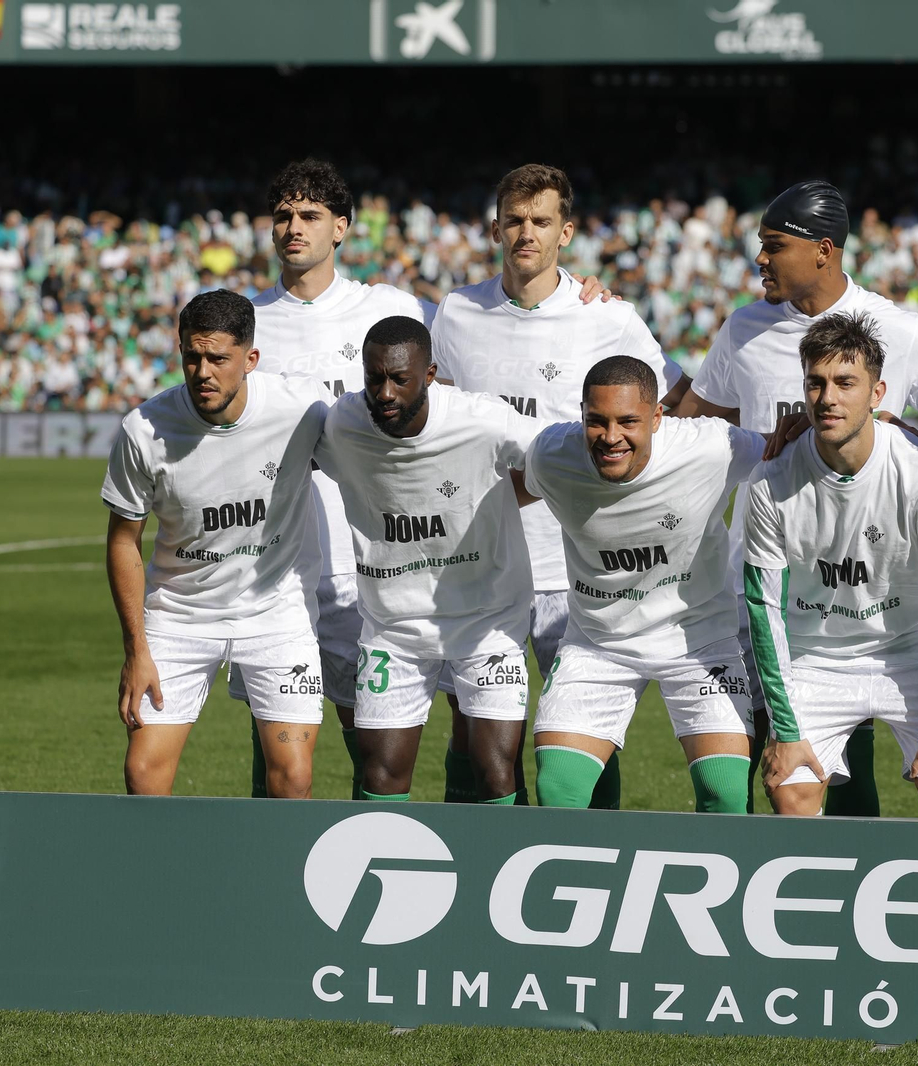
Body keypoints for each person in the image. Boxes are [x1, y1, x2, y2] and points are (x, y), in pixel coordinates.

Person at [674, 179, 918, 818]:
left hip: (882, 600)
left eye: (773, 245)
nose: (760, 259)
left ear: (823, 250)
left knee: (897, 776)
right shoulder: (743, 329)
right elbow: (692, 428)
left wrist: (893, 430)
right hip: (777, 587)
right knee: (785, 765)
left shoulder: (896, 328)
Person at [431, 163, 685, 809]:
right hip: (480, 558)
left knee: (584, 733)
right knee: (473, 727)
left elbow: (675, 402)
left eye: (541, 221)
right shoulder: (456, 312)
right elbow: (440, 417)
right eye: (514, 220)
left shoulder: (607, 318)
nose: (527, 233)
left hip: (574, 565)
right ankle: (479, 854)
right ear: (495, 228)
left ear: (565, 232)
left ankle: (595, 856)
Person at [238, 158, 431, 801]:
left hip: (363, 566)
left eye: (311, 215)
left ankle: (368, 853)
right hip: (273, 570)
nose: (294, 227)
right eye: (283, 215)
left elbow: (476, 340)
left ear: (341, 228)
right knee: (275, 750)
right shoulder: (247, 321)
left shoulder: (389, 308)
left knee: (369, 744)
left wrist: (579, 289)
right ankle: (272, 861)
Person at [744, 312, 918, 819]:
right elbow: (764, 610)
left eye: (845, 383)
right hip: (818, 656)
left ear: (877, 394)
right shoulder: (770, 481)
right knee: (790, 791)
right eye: (816, 382)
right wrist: (785, 729)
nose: (827, 397)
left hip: (909, 649)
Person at [101, 289, 329, 798]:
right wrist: (136, 649)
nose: (202, 372)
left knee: (293, 776)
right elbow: (123, 542)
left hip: (275, 614)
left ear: (250, 359)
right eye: (192, 357)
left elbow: (370, 454)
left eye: (218, 359)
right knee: (143, 773)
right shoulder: (144, 430)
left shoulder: (302, 409)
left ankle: (276, 856)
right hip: (179, 617)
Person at [313, 316, 540, 804]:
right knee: (379, 775)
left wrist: (499, 498)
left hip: (487, 620)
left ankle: (504, 853)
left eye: (400, 379)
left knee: (496, 771)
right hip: (393, 627)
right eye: (374, 378)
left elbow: (556, 460)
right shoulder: (342, 424)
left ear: (430, 374)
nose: (385, 393)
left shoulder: (483, 420)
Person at [523, 356, 757, 814]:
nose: (611, 437)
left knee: (726, 793)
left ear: (657, 417)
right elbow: (512, 487)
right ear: (581, 414)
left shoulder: (712, 447)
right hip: (598, 643)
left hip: (699, 641)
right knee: (559, 790)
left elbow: (790, 454)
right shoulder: (551, 455)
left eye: (628, 421)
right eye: (597, 421)